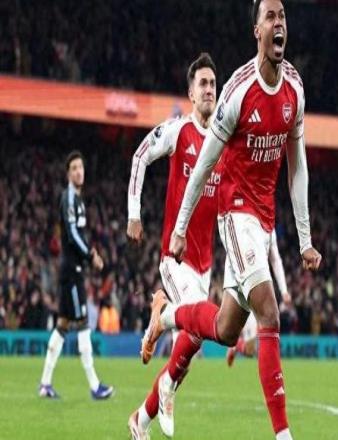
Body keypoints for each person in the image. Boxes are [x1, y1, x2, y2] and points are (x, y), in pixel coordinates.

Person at [142, 1, 322, 438]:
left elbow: (297, 167)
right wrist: (180, 227)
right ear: (256, 30)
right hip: (234, 212)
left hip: (264, 221)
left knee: (224, 330)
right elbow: (206, 161)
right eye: (270, 17)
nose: (278, 23)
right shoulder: (238, 90)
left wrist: (304, 239)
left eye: (282, 17)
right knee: (269, 313)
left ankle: (166, 321)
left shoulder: (295, 88)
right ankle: (283, 435)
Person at [126, 53, 221, 439]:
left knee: (190, 350)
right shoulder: (178, 131)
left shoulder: (223, 141)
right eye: (202, 84)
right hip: (175, 256)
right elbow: (140, 157)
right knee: (198, 325)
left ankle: (140, 420)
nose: (209, 89)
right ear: (190, 93)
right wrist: (134, 214)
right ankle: (162, 318)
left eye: (213, 84)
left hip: (206, 262)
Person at [39, 151, 113, 400]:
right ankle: (94, 386)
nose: (79, 171)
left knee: (62, 325)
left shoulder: (78, 200)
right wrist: (91, 255)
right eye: (74, 168)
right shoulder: (69, 197)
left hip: (72, 270)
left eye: (81, 167)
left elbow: (76, 234)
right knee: (82, 324)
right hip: (72, 272)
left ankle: (45, 384)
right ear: (68, 174)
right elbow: (71, 234)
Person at [227, 230, 290, 366]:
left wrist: (284, 291)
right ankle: (236, 345)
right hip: (244, 285)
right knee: (243, 344)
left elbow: (275, 260)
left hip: (261, 287)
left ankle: (238, 347)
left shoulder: (271, 230)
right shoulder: (244, 223)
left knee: (253, 348)